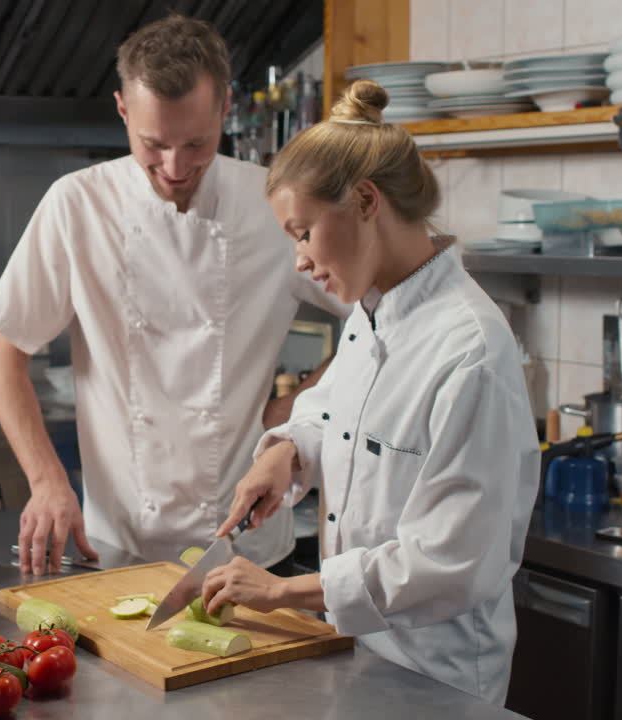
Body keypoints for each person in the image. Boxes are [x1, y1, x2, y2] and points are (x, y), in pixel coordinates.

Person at [200, 79, 540, 705]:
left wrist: (283, 592)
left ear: (363, 200)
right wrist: (288, 453)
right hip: (359, 656)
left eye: (302, 232)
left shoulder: (470, 350)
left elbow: (451, 561)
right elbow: (337, 412)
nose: (299, 260)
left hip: (437, 679)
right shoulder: (371, 312)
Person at [0, 15, 346, 576]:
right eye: (153, 144)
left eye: (197, 143)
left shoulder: (274, 202)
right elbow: (6, 355)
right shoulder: (77, 205)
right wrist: (48, 480)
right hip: (117, 541)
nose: (175, 167)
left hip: (245, 547)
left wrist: (300, 407)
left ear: (226, 107)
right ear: (123, 109)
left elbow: (379, 313)